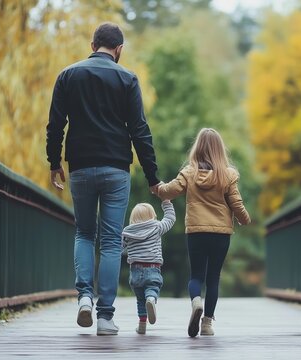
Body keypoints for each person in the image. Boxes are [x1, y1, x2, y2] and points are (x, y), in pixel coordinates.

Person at [45, 22, 160, 336]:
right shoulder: (127, 78)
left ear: (92, 43)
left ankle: (84, 298)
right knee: (110, 241)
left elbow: (55, 125)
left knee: (84, 233)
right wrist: (153, 177)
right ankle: (106, 317)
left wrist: (54, 162)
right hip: (115, 168)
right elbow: (140, 130)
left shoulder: (68, 76)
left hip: (80, 166)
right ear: (119, 49)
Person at [157, 128, 251, 337]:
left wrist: (157, 187)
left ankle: (196, 302)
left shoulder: (189, 173)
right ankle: (207, 324)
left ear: (197, 148)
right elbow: (236, 203)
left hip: (196, 231)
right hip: (221, 234)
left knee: (196, 275)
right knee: (214, 277)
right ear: (220, 150)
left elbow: (168, 191)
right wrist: (245, 219)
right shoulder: (227, 175)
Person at [121, 200, 176, 334]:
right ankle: (151, 298)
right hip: (152, 268)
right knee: (152, 288)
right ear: (153, 216)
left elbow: (117, 249)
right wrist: (166, 202)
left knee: (140, 299)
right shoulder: (157, 227)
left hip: (135, 271)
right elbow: (170, 218)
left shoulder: (127, 232)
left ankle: (142, 325)